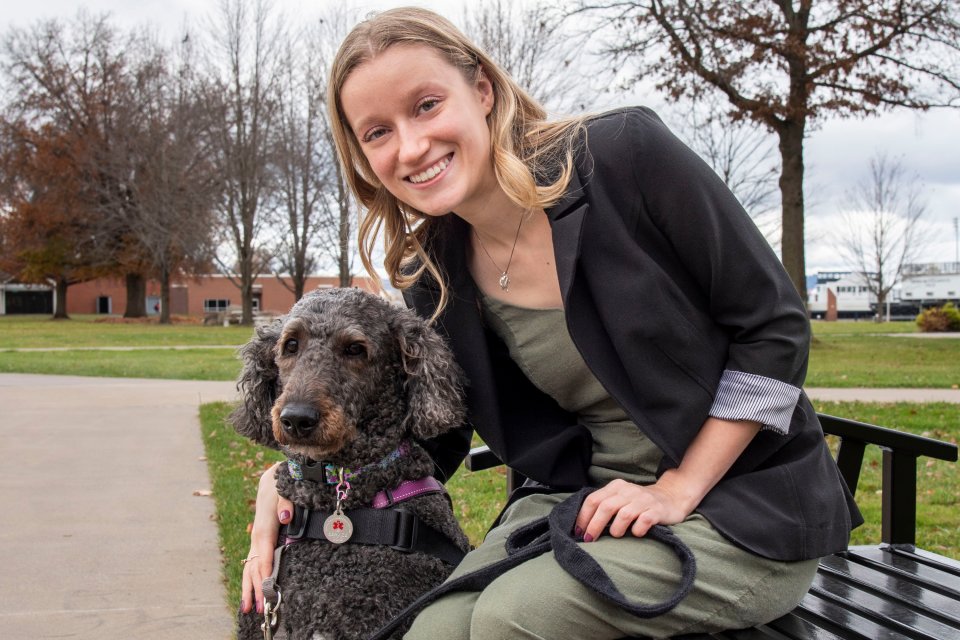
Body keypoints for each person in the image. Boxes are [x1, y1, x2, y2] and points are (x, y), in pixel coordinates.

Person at [240, 7, 862, 638]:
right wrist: (289, 479)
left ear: (482, 89)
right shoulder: (433, 273)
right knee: (436, 630)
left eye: (426, 105)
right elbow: (438, 431)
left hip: (739, 504)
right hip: (579, 500)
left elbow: (774, 327)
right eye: (377, 132)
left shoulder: (623, 157)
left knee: (514, 620)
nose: (411, 145)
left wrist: (676, 488)